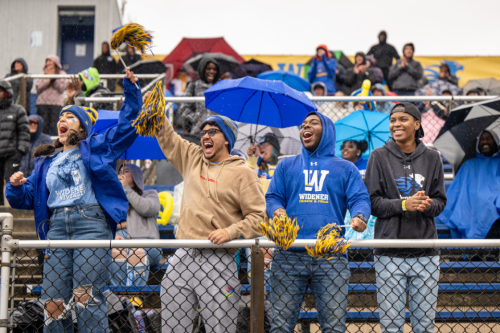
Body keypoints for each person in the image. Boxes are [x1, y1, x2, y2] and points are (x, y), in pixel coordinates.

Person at [6, 68, 141, 333]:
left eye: (70, 116)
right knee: (53, 303)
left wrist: (131, 89)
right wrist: (14, 186)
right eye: (60, 116)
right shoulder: (45, 162)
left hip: (91, 225)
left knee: (85, 298)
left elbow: (128, 125)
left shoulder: (97, 147)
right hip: (56, 228)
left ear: (82, 126)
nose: (62, 119)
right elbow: (24, 198)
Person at [156, 112, 266, 333]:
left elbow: (259, 219)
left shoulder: (244, 173)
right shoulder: (192, 157)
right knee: (172, 328)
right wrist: (156, 110)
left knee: (220, 329)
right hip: (183, 256)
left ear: (226, 138)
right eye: (203, 132)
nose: (205, 135)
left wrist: (231, 231)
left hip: (218, 259)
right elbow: (168, 137)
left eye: (212, 132)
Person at [265, 111, 370, 333]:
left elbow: (359, 198)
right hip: (289, 255)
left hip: (331, 256)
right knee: (281, 327)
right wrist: (278, 211)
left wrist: (360, 216)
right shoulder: (286, 166)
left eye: (314, 123)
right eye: (303, 124)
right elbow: (273, 197)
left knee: (333, 328)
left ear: (328, 131)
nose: (306, 127)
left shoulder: (346, 168)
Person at [364, 102, 447, 333]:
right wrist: (403, 204)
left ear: (417, 124)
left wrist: (427, 205)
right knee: (391, 326)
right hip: (389, 252)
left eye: (403, 119)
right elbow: (372, 203)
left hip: (426, 253)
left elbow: (441, 201)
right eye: (392, 120)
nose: (396, 124)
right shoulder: (378, 157)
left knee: (424, 326)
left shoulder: (433, 158)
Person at [439, 130, 500, 239]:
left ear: (496, 142)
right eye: (482, 139)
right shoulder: (469, 165)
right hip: (471, 205)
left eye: (489, 138)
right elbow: (458, 192)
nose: (485, 141)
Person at [109, 163, 162, 287]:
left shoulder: (150, 194)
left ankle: (134, 296)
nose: (121, 174)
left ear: (137, 176)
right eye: (120, 171)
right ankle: (120, 297)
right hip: (122, 244)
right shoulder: (116, 200)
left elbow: (146, 209)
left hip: (148, 245)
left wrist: (126, 188)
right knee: (115, 251)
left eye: (126, 171)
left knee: (135, 252)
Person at [0, 79, 29, 206]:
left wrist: (20, 151)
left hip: (12, 155)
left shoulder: (18, 110)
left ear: (6, 92)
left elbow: (24, 132)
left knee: (10, 182)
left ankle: (12, 210)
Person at [340, 139, 377, 240]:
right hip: (347, 207)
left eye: (350, 146)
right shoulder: (339, 167)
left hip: (366, 206)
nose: (345, 149)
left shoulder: (369, 164)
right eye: (343, 147)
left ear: (359, 151)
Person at [179, 56, 221, 134]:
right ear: (202, 69)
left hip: (219, 131)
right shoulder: (194, 86)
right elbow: (183, 108)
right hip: (199, 131)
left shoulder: (222, 86)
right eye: (208, 68)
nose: (212, 71)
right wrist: (197, 118)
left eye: (214, 69)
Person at [35, 55, 67, 135]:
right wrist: (48, 80)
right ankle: (42, 146)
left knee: (55, 127)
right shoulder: (42, 74)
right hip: (42, 103)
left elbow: (61, 88)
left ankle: (56, 146)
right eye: (47, 61)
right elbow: (38, 88)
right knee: (43, 127)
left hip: (56, 104)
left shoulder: (62, 74)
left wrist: (54, 78)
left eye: (50, 61)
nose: (48, 63)